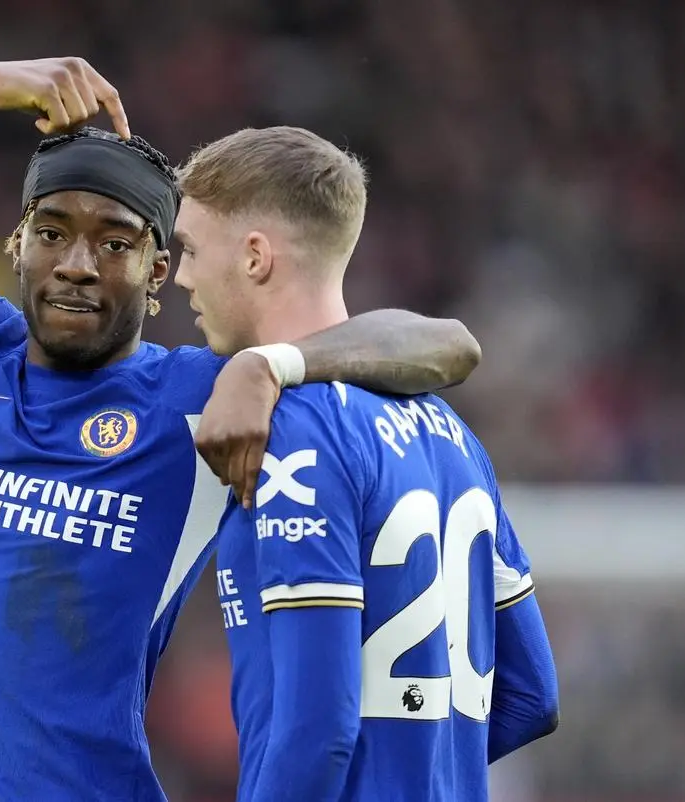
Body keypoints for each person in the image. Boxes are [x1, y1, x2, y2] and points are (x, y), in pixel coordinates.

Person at [0, 58, 480, 801]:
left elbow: (445, 343)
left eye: (114, 242)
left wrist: (273, 366)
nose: (75, 264)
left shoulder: (199, 392)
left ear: (158, 271)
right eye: (51, 232)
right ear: (18, 245)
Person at [174, 126, 559, 802]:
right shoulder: (454, 435)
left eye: (191, 250)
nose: (179, 275)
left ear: (255, 257)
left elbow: (317, 729)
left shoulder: (290, 428)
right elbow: (530, 696)